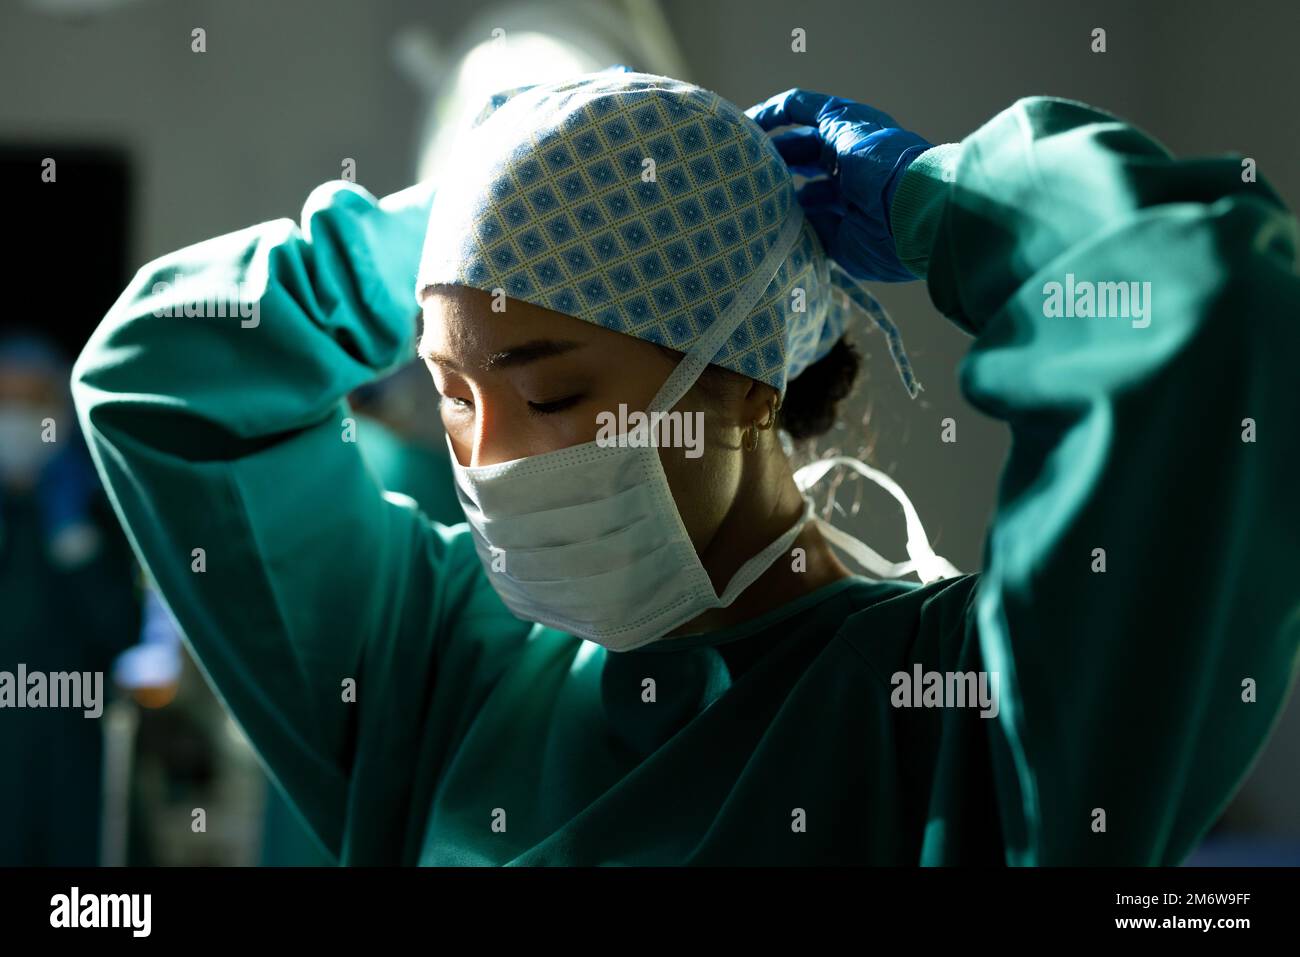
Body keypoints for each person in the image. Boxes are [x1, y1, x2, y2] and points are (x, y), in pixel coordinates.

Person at [71, 72, 1299, 865]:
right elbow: (156, 379)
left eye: (552, 391)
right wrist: (475, 211)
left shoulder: (952, 713)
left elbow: (1215, 305)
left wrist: (938, 205)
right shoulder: (441, 671)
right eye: (451, 393)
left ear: (743, 380)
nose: (486, 460)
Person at [0, 332, 144, 865]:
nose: (16, 418)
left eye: (32, 401)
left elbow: (125, 631)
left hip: (74, 756)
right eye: (4, 402)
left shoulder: (94, 507)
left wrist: (78, 544)